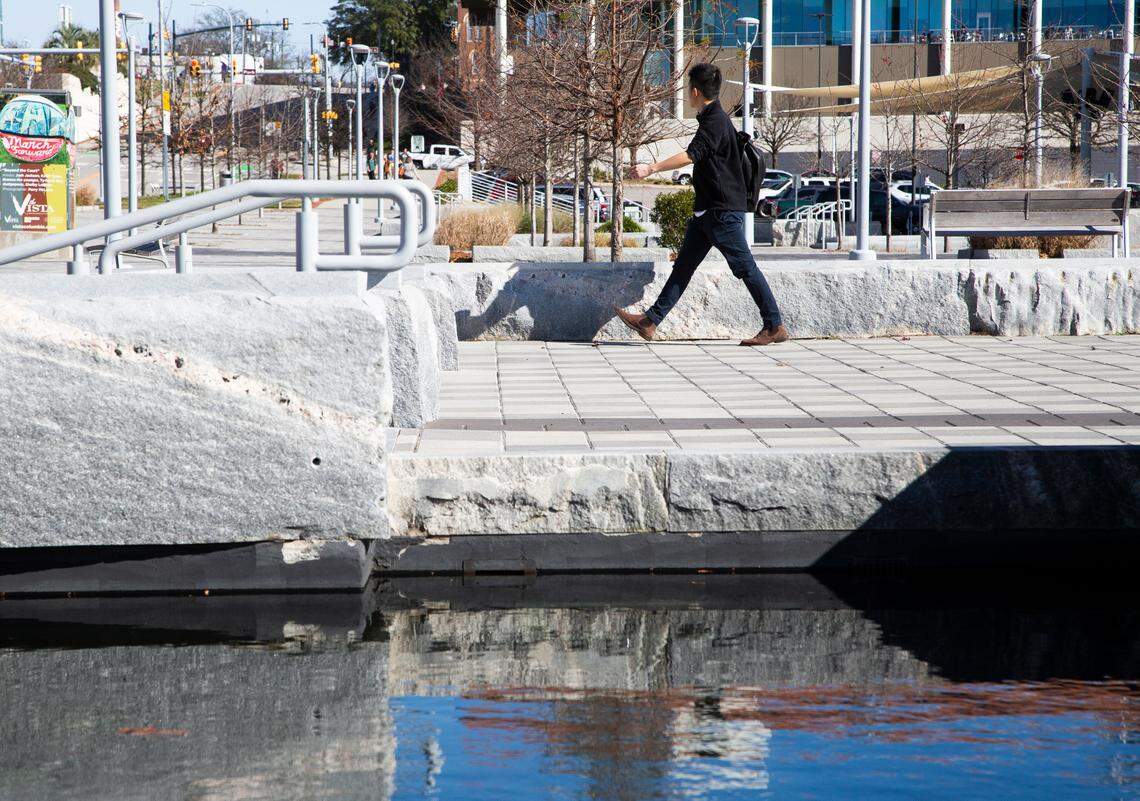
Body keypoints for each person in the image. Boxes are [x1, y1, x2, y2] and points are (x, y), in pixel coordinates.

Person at [616, 62, 787, 346]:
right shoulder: (715, 119)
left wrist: (652, 168)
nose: (687, 94)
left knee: (745, 268)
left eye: (687, 89)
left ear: (695, 91)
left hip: (721, 212)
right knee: (683, 267)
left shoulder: (715, 122)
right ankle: (650, 321)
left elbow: (691, 155)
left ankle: (774, 325)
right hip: (708, 212)